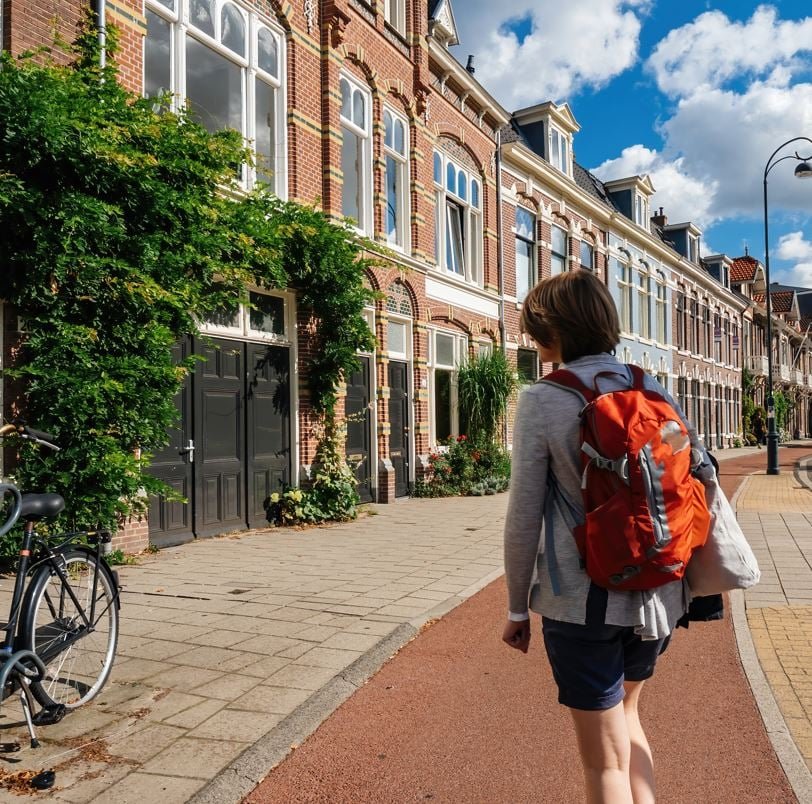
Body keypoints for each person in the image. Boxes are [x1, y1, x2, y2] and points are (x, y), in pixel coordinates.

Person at [502, 270, 714, 804]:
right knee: (630, 720)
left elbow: (524, 513)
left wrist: (516, 609)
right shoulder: (652, 386)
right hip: (661, 595)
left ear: (551, 334)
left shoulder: (543, 399)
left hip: (582, 603)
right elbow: (702, 477)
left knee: (603, 768)